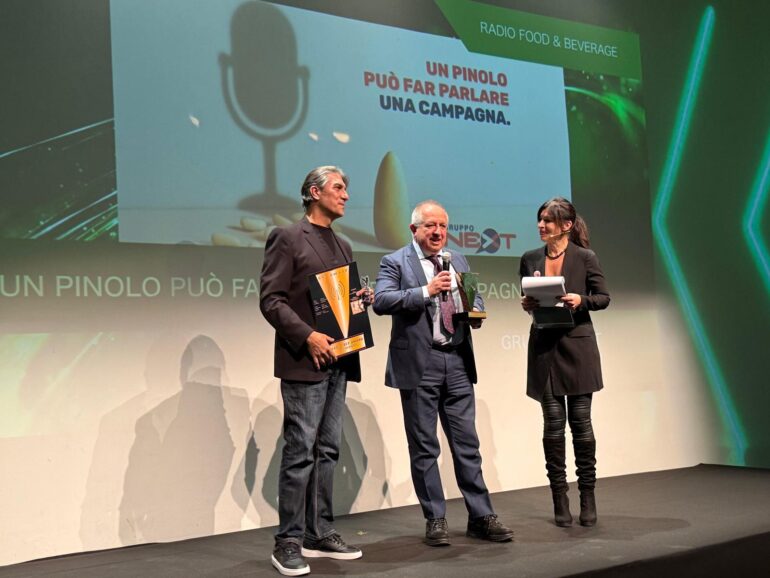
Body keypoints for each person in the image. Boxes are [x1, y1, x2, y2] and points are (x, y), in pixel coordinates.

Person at [373, 200, 514, 546]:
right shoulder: (395, 261)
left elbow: (474, 297)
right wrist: (427, 291)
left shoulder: (458, 260)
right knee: (424, 447)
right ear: (414, 229)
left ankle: (481, 516)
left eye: (443, 226)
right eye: (430, 226)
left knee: (467, 444)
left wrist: (475, 311)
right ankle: (435, 518)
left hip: (457, 360)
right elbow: (381, 300)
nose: (438, 232)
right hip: (421, 363)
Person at [260, 166, 369, 576]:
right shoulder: (287, 237)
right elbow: (271, 300)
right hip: (306, 361)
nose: (346, 195)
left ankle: (318, 532)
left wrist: (359, 300)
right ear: (313, 192)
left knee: (327, 449)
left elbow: (338, 301)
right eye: (338, 187)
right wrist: (307, 336)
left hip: (340, 359)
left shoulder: (343, 244)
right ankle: (287, 541)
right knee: (300, 450)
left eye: (346, 188)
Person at [519, 197, 610, 528]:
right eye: (540, 219)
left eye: (548, 220)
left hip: (577, 347)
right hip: (544, 349)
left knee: (581, 424)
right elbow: (530, 299)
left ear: (566, 225)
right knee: (553, 425)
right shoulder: (530, 258)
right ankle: (559, 495)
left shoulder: (585, 257)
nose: (541, 225)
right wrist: (528, 304)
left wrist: (579, 299)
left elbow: (603, 298)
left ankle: (588, 495)